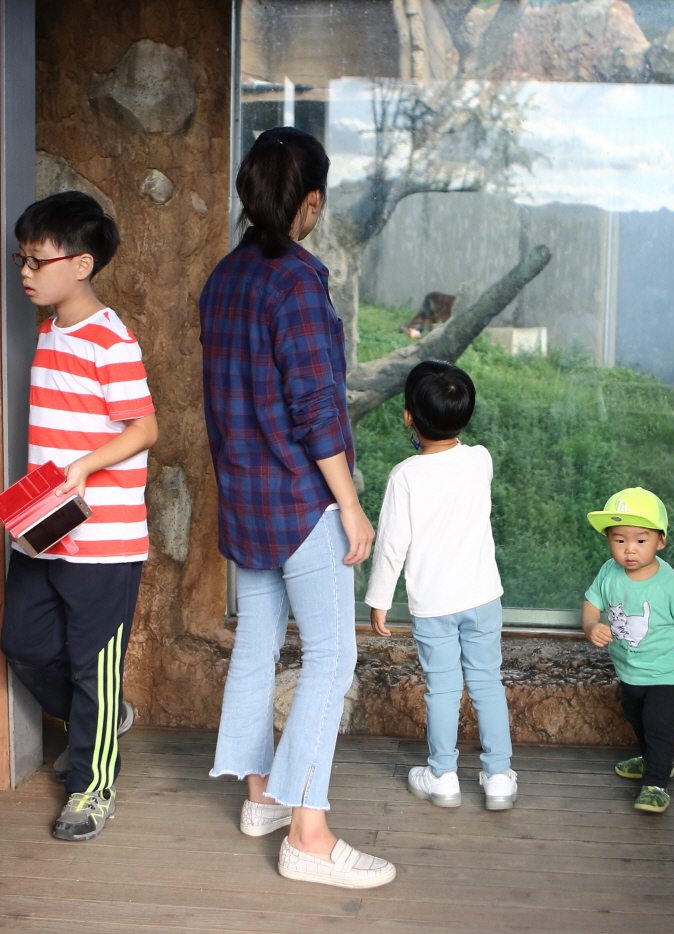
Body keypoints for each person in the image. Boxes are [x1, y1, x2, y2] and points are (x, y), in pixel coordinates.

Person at [199, 126, 395, 889]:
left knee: (257, 644)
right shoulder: (298, 281)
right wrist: (350, 505)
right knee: (331, 658)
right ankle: (308, 836)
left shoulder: (225, 277)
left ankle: (262, 799)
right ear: (310, 201)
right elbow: (316, 408)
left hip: (246, 500)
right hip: (301, 499)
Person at [0, 191, 158, 842]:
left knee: (95, 665)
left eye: (38, 260)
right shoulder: (49, 331)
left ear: (82, 264)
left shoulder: (111, 340)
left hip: (105, 542)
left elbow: (144, 428)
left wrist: (86, 466)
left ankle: (92, 790)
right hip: (44, 528)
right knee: (23, 643)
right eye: (22, 259)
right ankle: (101, 719)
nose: (26, 271)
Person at [366, 360, 517, 810]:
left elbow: (391, 545)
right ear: (465, 415)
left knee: (444, 690)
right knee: (487, 682)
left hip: (433, 605)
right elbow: (458, 461)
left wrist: (379, 599)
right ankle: (499, 777)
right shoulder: (480, 459)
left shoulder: (405, 476)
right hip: (483, 597)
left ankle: (443, 776)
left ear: (408, 416)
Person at [581, 488, 674, 814]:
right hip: (629, 669)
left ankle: (656, 784)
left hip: (667, 672)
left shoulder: (671, 584)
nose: (629, 549)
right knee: (636, 717)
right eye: (619, 540)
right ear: (609, 540)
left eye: (641, 540)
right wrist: (591, 626)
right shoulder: (609, 571)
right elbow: (591, 604)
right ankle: (652, 759)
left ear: (660, 541)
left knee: (657, 724)